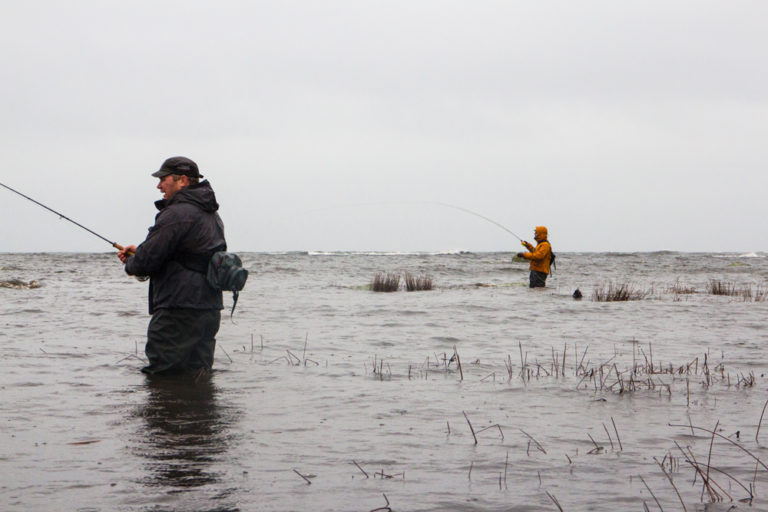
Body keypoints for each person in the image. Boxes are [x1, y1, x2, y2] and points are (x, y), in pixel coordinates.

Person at [118, 156, 227, 376]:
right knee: (199, 375)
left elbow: (144, 263)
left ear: (182, 181)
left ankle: (165, 411)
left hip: (178, 308)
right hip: (208, 309)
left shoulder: (177, 213)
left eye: (163, 179)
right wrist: (141, 252)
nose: (159, 186)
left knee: (163, 376)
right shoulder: (211, 215)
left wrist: (132, 262)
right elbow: (191, 254)